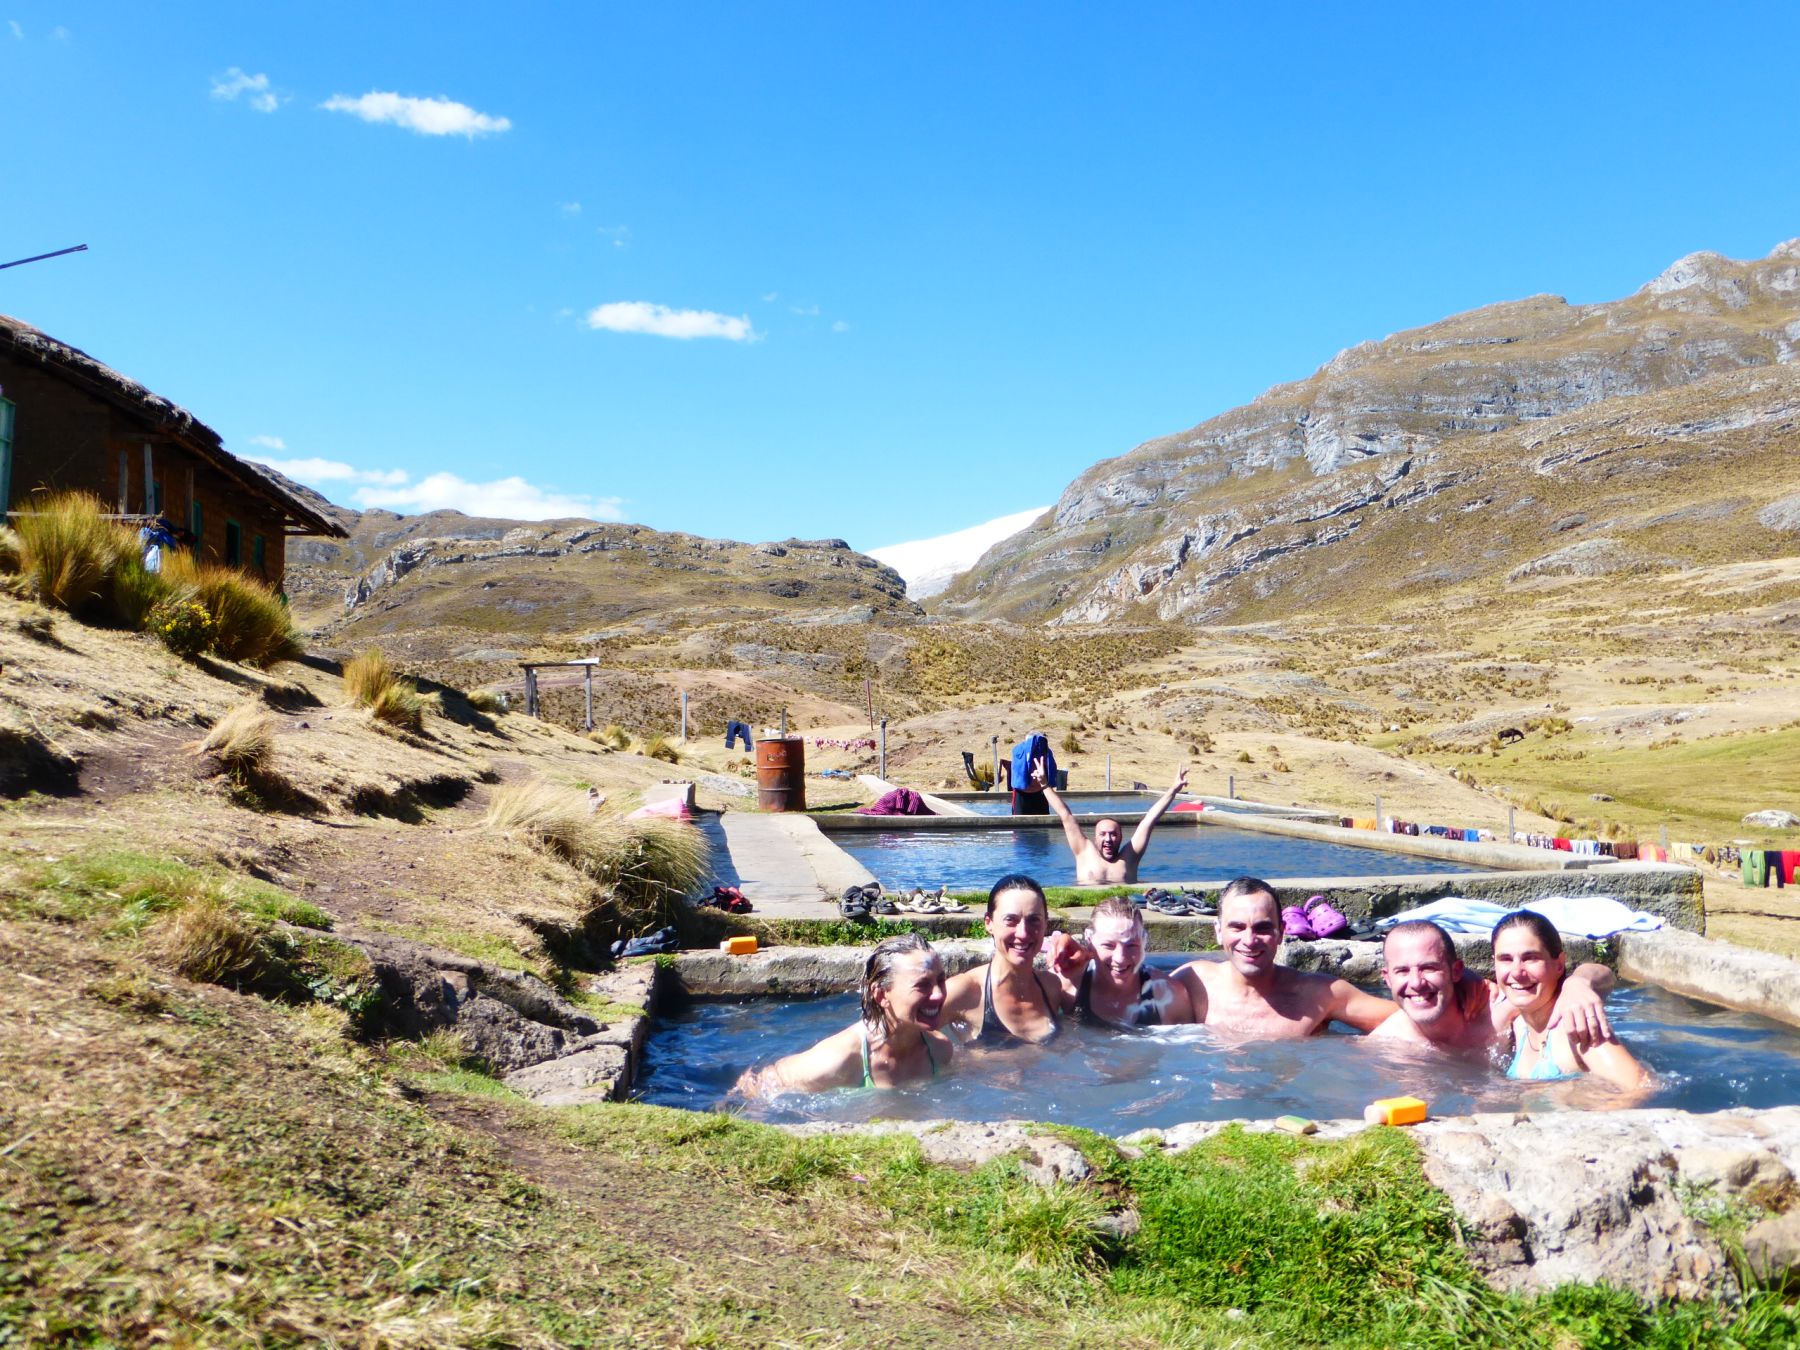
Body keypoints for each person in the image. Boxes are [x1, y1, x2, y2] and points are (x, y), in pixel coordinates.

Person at [1169, 876, 1398, 1038]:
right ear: (1219, 931)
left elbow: (1405, 1019)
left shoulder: (1319, 994)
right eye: (1237, 927)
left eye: (1262, 928)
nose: (1249, 940)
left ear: (1281, 931)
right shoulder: (1193, 982)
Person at [733, 934, 954, 1094]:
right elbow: (759, 1083)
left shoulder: (940, 1050)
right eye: (922, 985)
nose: (939, 995)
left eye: (941, 981)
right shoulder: (840, 1060)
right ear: (881, 995)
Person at [1370, 918, 1616, 1053]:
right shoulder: (1385, 1045)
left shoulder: (1498, 1011)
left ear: (1456, 971)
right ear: (1387, 978)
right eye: (1402, 971)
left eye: (1429, 968)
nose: (1416, 983)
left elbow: (1604, 976)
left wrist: (1579, 982)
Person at [1492, 911, 1647, 1089]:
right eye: (1505, 959)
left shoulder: (1576, 1025)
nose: (1516, 972)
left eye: (1531, 958)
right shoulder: (1518, 1025)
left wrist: (1584, 1103)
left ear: (1559, 964)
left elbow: (1642, 1086)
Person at [941, 874, 1064, 1046]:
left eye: (1034, 920)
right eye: (1010, 920)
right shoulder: (965, 992)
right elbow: (908, 1034)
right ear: (989, 923)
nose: (1023, 933)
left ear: (1045, 924)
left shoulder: (1051, 987)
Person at [1047, 897, 1193, 1027]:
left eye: (1131, 946)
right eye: (1108, 945)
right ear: (1089, 940)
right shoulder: (1066, 986)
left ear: (1144, 942)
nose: (1120, 958)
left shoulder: (1169, 996)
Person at [1038, 763, 1189, 885]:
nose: (1108, 839)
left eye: (1113, 834)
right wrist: (1044, 785)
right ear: (1095, 838)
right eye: (1103, 834)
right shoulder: (1084, 851)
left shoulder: (1130, 856)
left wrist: (1173, 790)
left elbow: (1149, 820)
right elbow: (1065, 815)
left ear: (1121, 837)